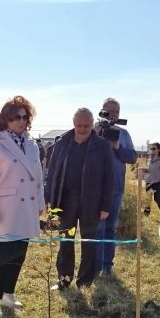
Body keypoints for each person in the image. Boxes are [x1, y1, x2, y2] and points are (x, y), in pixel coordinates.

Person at [0, 95, 45, 318]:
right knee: (3, 254)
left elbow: (37, 175)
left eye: (25, 117)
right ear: (5, 118)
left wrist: (40, 202)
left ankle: (8, 293)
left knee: (20, 252)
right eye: (16, 117)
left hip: (26, 205)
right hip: (5, 207)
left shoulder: (31, 143)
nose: (21, 121)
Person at [45, 108, 114, 289]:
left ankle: (85, 280)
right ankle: (64, 279)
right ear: (73, 123)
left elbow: (110, 178)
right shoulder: (61, 144)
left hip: (92, 201)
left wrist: (106, 206)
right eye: (78, 125)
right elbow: (51, 174)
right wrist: (48, 198)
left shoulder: (102, 146)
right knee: (66, 240)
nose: (82, 129)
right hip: (65, 199)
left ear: (93, 125)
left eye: (86, 126)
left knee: (89, 241)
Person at [94, 98, 138, 276]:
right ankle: (95, 266)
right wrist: (96, 133)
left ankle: (107, 266)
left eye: (116, 112)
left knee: (110, 228)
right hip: (96, 189)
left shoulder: (124, 134)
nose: (113, 114)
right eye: (110, 111)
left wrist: (118, 147)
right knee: (97, 229)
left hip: (116, 189)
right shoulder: (94, 130)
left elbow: (133, 157)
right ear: (102, 111)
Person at [144, 142, 160, 216]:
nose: (152, 150)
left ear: (158, 149)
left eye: (154, 148)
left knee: (156, 198)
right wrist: (144, 171)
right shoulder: (150, 158)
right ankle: (146, 214)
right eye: (151, 148)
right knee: (147, 198)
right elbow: (149, 169)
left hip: (158, 182)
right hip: (149, 181)